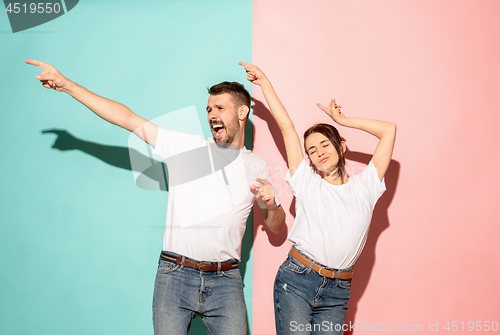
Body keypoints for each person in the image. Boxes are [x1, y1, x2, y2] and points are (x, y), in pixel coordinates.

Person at [27, 59, 286, 335]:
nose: (212, 115)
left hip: (226, 281)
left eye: (220, 108)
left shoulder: (256, 166)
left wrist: (271, 205)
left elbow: (275, 226)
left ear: (242, 112)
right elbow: (128, 119)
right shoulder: (187, 149)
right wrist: (67, 86)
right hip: (176, 275)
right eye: (209, 109)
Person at [240, 62, 396, 335]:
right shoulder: (307, 182)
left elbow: (389, 130)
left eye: (325, 144)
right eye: (312, 150)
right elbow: (287, 127)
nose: (319, 152)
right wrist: (264, 82)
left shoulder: (366, 186)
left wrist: (343, 121)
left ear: (341, 146)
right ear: (309, 159)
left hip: (338, 290)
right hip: (297, 279)